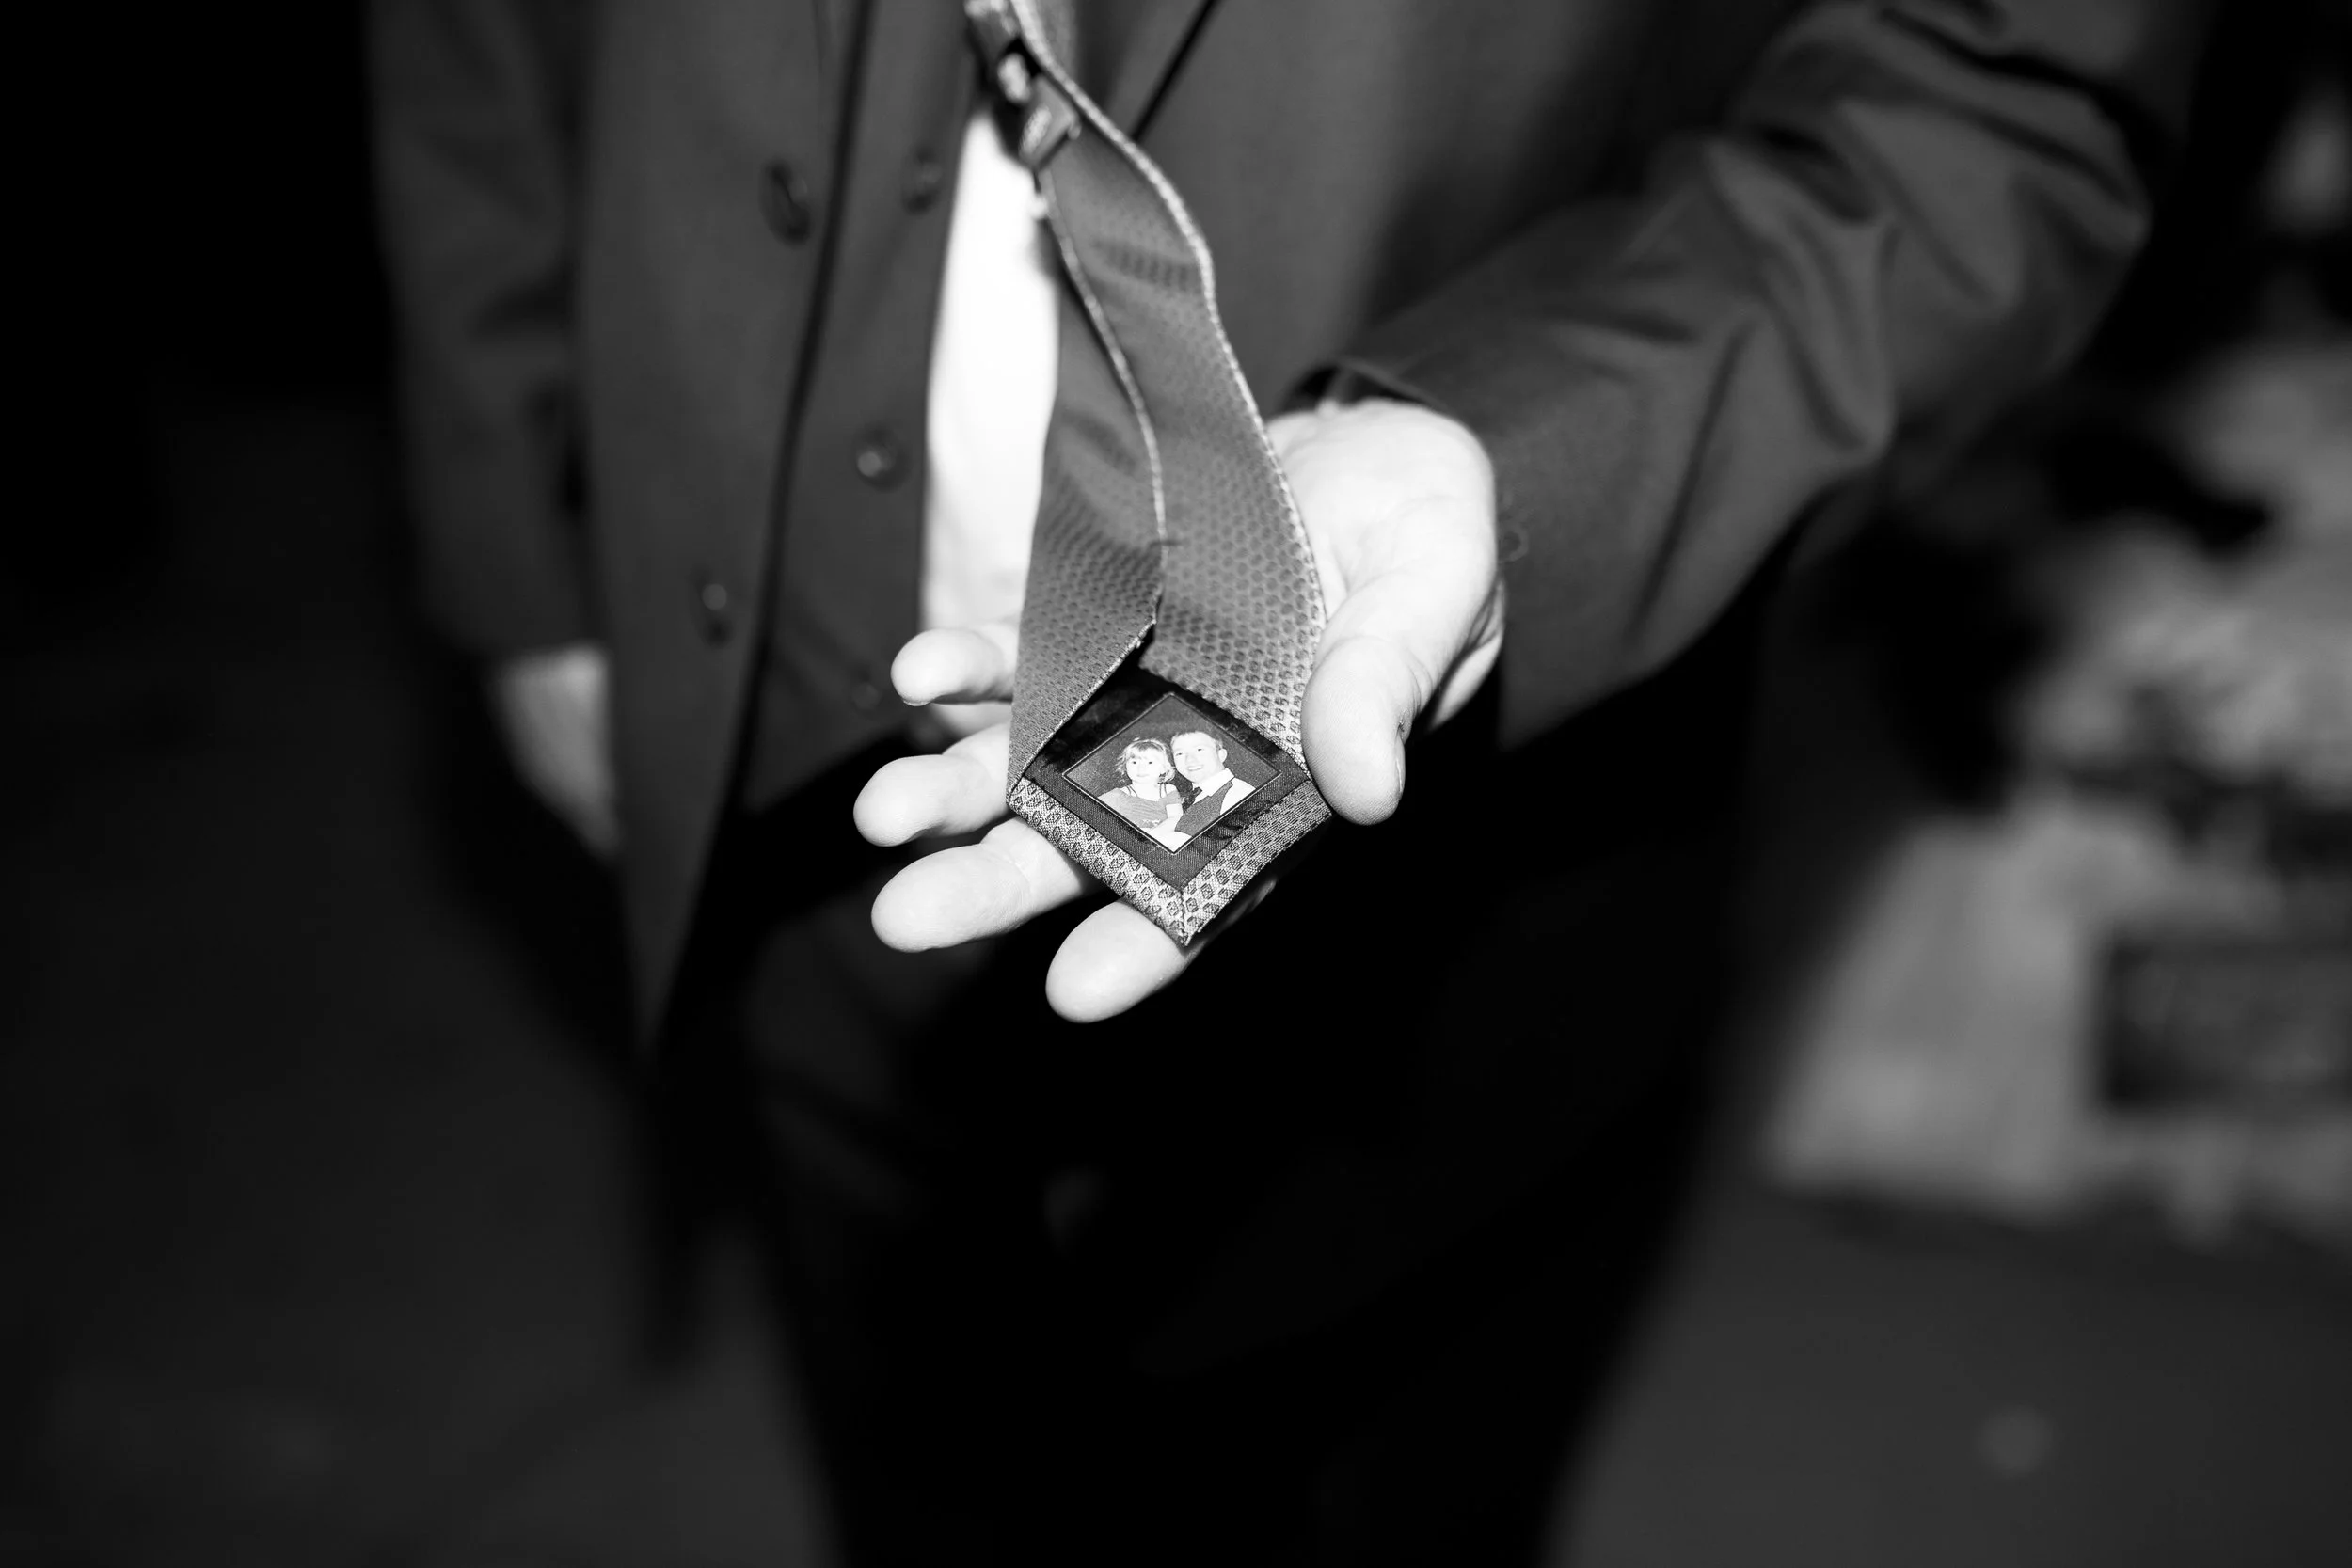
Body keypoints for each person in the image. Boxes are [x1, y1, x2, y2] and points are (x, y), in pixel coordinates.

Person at [371, 2, 2209, 1561]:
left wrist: (1519, 449)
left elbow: (1992, 88)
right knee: (922, 1452)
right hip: (799, 772)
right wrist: (521, 534)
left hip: (1447, 888)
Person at [1168, 728, 1255, 835]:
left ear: (1221, 755)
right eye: (1179, 754)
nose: (1190, 759)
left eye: (1199, 749)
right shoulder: (1186, 798)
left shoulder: (1240, 795)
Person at [1099, 736, 1188, 840]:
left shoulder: (1168, 790)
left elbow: (1175, 817)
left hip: (1162, 837)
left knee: (1181, 837)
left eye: (1150, 762)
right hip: (1132, 839)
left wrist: (1150, 837)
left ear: (1163, 768)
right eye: (1134, 762)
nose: (1141, 768)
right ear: (1125, 766)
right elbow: (1091, 807)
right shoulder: (1119, 794)